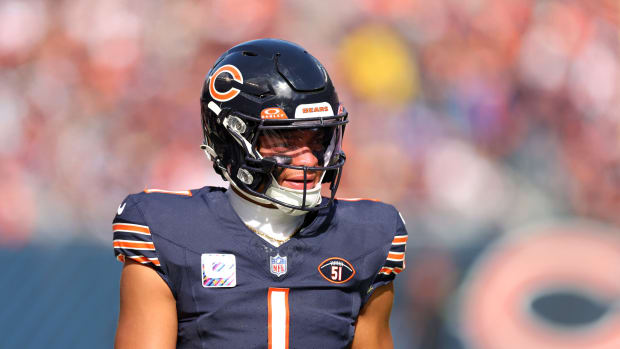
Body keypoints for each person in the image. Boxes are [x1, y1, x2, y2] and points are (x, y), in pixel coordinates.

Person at [112, 38, 408, 349]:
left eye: (318, 138)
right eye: (284, 139)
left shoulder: (366, 236)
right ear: (231, 139)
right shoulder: (166, 230)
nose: (308, 159)